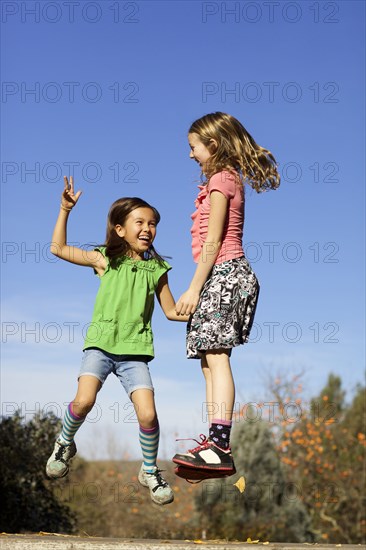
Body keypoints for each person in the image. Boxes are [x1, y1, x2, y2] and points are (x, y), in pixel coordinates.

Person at [46, 176, 189, 505]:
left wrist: (203, 314)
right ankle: (64, 444)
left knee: (149, 416)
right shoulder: (104, 259)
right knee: (83, 402)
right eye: (139, 221)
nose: (147, 228)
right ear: (120, 228)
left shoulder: (157, 269)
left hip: (135, 354)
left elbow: (170, 311)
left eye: (152, 223)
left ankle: (149, 471)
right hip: (99, 346)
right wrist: (64, 210)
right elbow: (58, 249)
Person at [172, 112, 280, 475]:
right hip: (221, 274)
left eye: (193, 147)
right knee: (208, 361)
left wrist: (193, 287)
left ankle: (220, 444)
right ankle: (214, 443)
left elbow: (214, 241)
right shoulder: (224, 179)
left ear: (212, 145)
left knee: (216, 357)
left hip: (226, 272)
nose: (190, 155)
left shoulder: (222, 179)